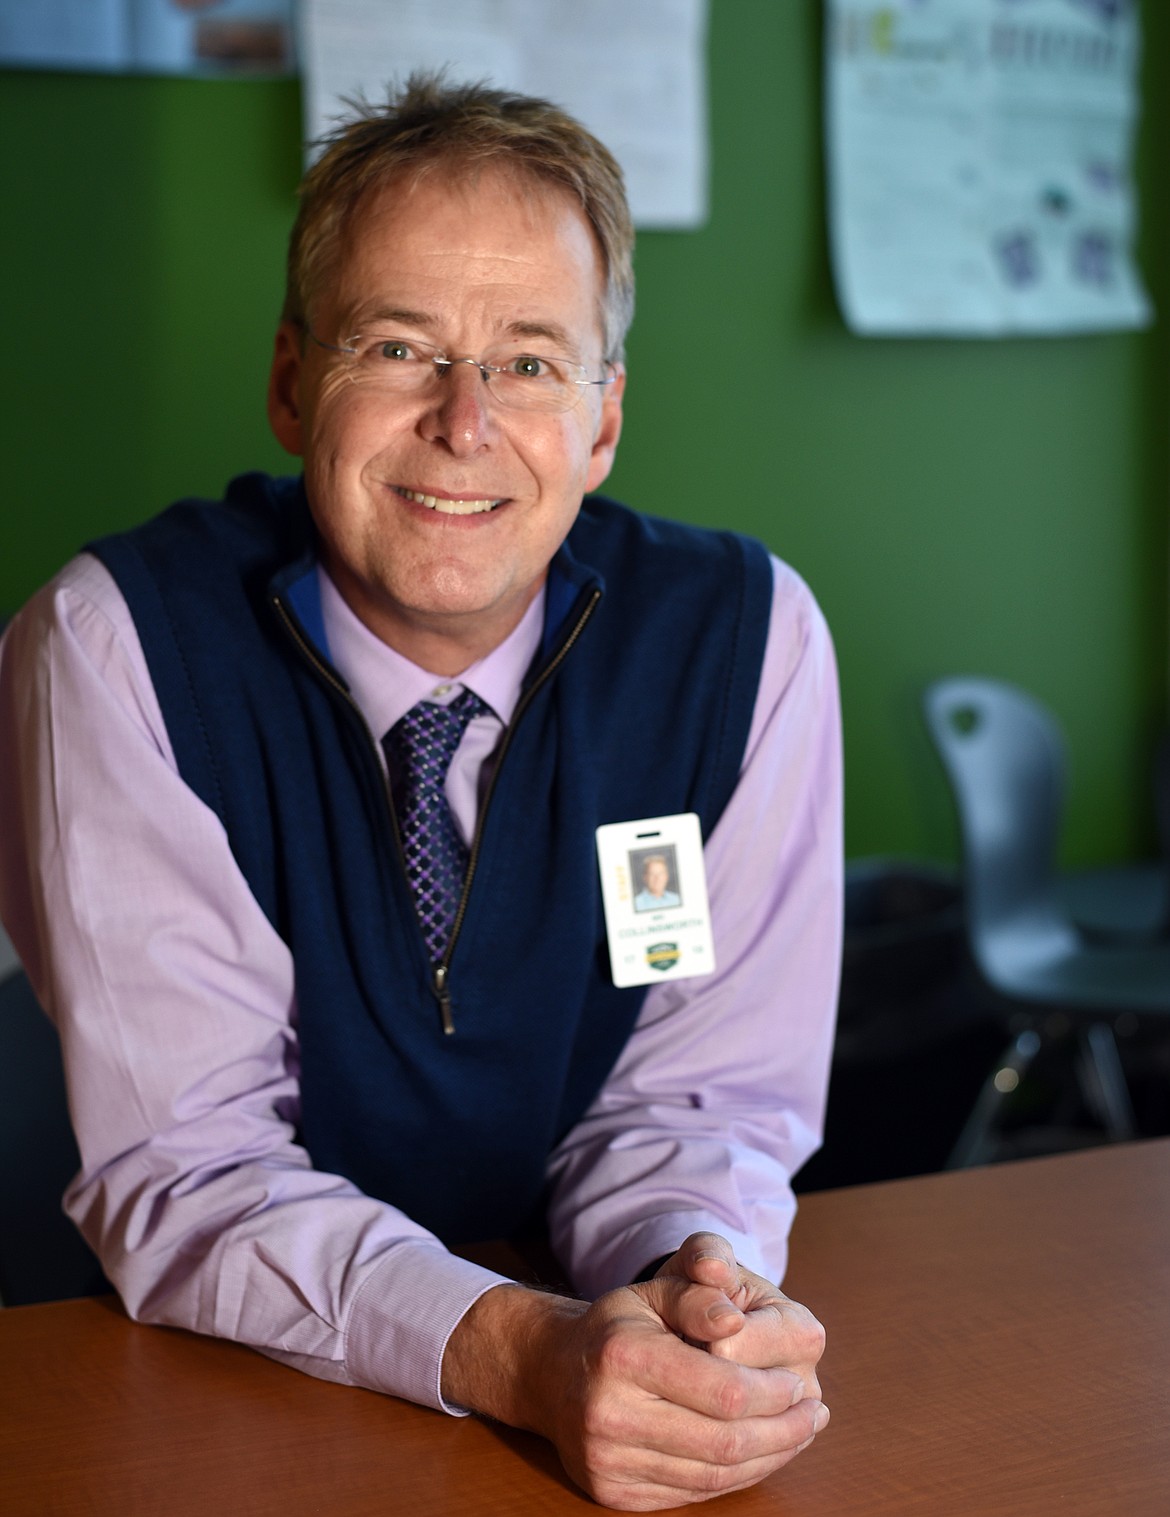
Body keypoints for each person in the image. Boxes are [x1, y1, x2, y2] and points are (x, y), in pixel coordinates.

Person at [0, 76, 843, 1511]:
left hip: (570, 1356)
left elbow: (698, 1094)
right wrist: (515, 1349)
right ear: (288, 380)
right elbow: (189, 1164)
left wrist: (686, 1286)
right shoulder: (115, 646)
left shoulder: (741, 645)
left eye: (528, 362)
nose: (464, 422)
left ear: (604, 422)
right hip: (213, 1393)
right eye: (399, 346)